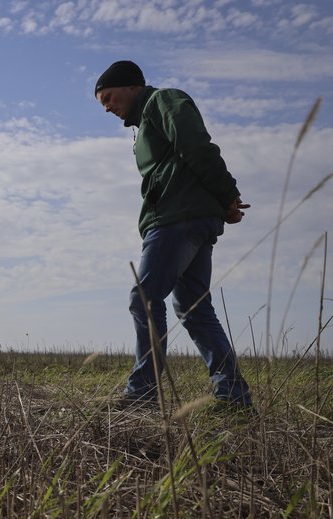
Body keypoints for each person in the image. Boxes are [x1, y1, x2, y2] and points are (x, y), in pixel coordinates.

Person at [93, 60, 253, 409]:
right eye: (101, 103)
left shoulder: (163, 101)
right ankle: (234, 398)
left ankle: (142, 394)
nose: (106, 107)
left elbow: (196, 146)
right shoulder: (143, 125)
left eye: (108, 96)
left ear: (132, 85)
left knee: (145, 297)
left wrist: (227, 194)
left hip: (177, 218)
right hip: (186, 217)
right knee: (193, 309)